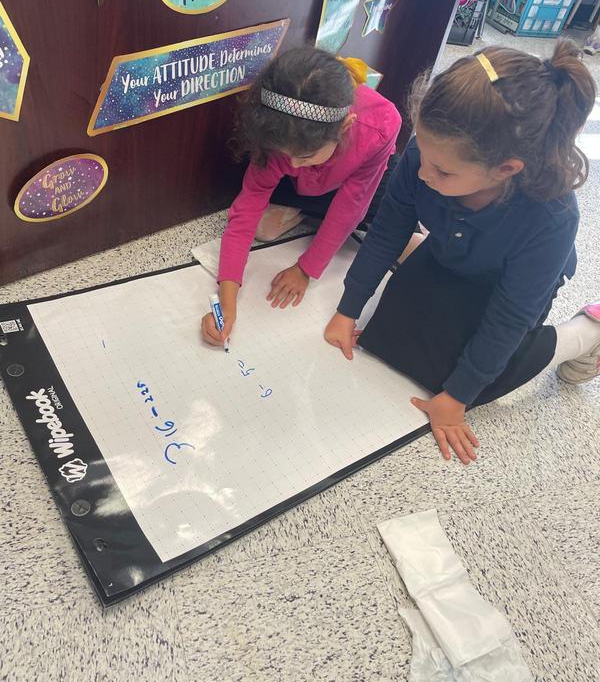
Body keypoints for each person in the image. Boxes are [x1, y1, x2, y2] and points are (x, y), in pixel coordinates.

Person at [325, 39, 599, 465]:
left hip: (507, 285)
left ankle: (586, 333)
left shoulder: (552, 217)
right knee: (382, 340)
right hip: (448, 252)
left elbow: (510, 317)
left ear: (505, 170)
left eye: (442, 171)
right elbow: (387, 231)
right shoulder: (431, 154)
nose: (422, 172)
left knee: (471, 381)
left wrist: (457, 397)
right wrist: (348, 308)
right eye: (422, 153)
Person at [201, 46, 401, 346]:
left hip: (360, 179)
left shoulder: (380, 126)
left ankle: (316, 210)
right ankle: (309, 208)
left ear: (345, 127)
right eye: (286, 155)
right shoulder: (282, 137)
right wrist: (227, 300)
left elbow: (350, 207)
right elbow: (246, 210)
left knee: (396, 230)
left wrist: (306, 269)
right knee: (263, 228)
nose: (293, 164)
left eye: (304, 156)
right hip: (305, 184)